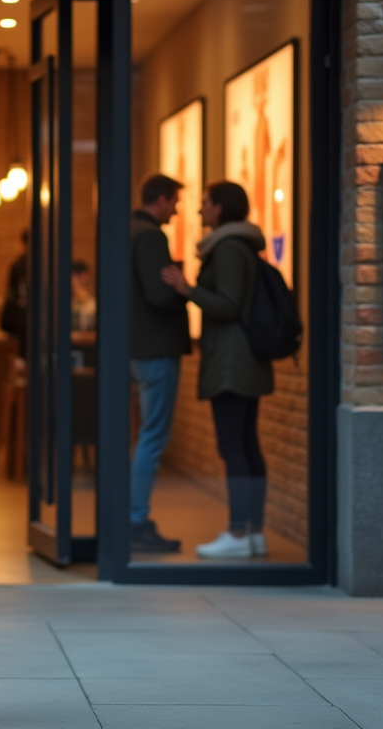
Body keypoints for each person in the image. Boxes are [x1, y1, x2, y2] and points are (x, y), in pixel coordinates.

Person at [161, 180, 274, 559]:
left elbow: (227, 304)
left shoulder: (227, 250)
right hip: (244, 362)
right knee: (247, 444)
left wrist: (187, 289)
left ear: (220, 208)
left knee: (233, 447)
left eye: (205, 203)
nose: (199, 210)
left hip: (231, 363)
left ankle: (238, 532)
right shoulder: (242, 246)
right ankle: (253, 532)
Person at [128, 174, 190, 554]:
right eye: (175, 202)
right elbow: (159, 293)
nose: (177, 210)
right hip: (156, 349)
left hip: (135, 349)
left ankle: (133, 516)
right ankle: (137, 520)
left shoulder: (126, 230)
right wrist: (183, 288)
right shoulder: (150, 236)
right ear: (162, 200)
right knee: (153, 437)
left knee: (145, 437)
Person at [1, 228, 29, 356]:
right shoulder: (45, 263)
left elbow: (12, 291)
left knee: (21, 354)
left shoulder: (18, 264)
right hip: (36, 317)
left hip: (20, 316)